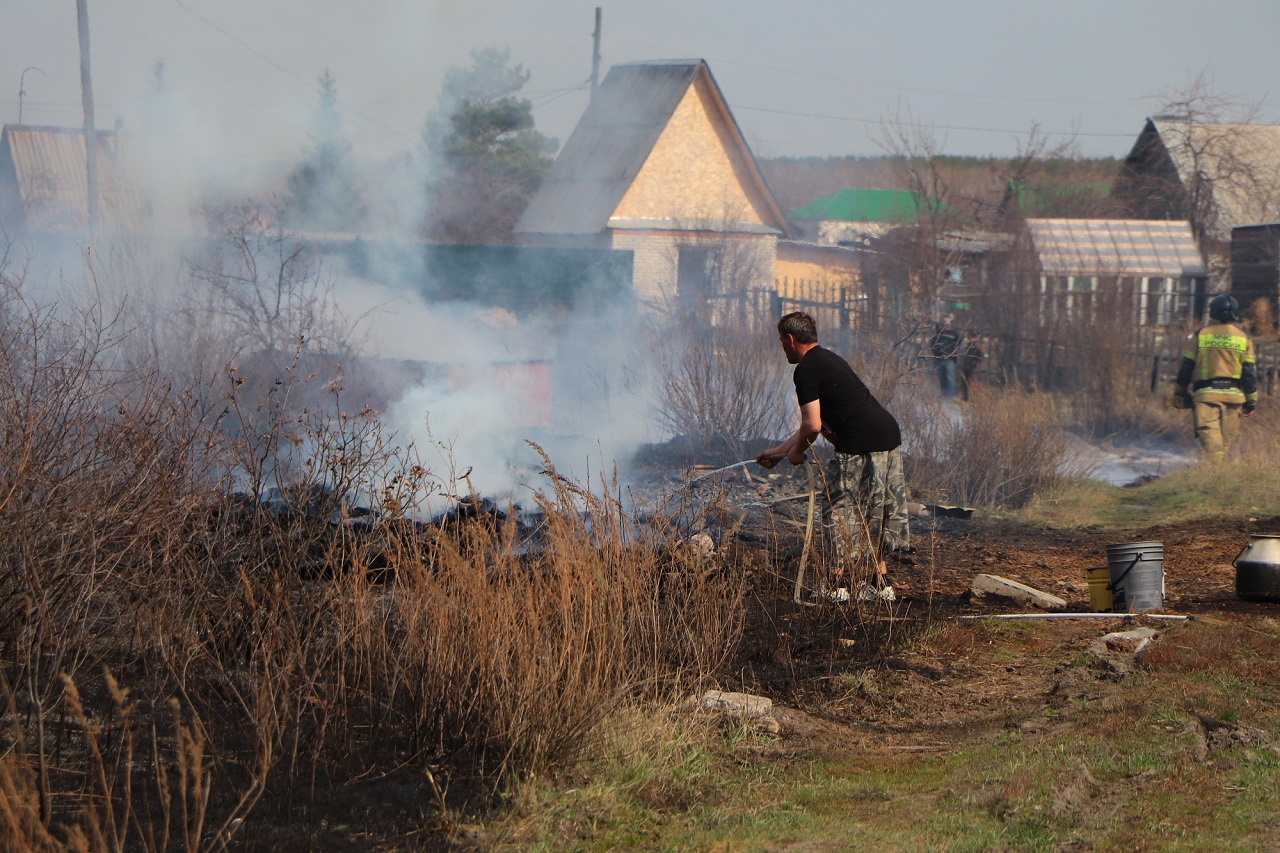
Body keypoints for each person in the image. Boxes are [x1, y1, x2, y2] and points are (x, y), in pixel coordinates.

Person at [756, 312, 908, 603]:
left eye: (781, 341)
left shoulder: (805, 370)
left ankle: (836, 585)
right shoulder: (829, 359)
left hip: (858, 441)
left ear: (790, 339)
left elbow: (812, 425)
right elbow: (816, 423)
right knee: (873, 510)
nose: (782, 347)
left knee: (839, 510)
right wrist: (778, 453)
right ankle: (878, 583)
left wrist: (797, 452)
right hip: (887, 435)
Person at [1171, 293, 1258, 460]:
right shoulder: (1243, 338)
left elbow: (1186, 367)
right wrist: (1251, 401)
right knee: (1224, 447)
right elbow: (1249, 373)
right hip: (1234, 399)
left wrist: (1179, 392)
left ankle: (1214, 478)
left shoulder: (1201, 335)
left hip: (1206, 397)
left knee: (1212, 446)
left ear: (1213, 313)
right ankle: (1219, 479)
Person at [928, 315, 961, 398]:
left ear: (949, 324)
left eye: (946, 324)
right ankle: (945, 395)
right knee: (942, 378)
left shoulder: (954, 334)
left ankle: (952, 395)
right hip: (939, 359)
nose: (945, 326)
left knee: (950, 377)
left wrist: (954, 353)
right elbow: (932, 345)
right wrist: (937, 354)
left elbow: (960, 344)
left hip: (950, 359)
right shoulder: (937, 335)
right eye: (943, 324)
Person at [958, 330, 985, 402]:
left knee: (973, 382)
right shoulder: (966, 344)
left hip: (973, 367)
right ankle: (965, 397)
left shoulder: (976, 345)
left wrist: (975, 363)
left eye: (968, 335)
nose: (967, 337)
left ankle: (974, 398)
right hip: (965, 366)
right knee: (964, 382)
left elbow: (980, 356)